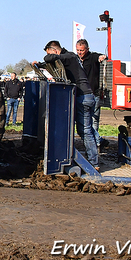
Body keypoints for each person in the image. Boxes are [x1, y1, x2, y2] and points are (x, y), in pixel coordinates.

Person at [32, 40, 99, 168]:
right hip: (84, 96)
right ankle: (92, 157)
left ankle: (94, 162)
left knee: (85, 130)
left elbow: (50, 58)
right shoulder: (69, 58)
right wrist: (39, 65)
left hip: (83, 96)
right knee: (84, 129)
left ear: (55, 50)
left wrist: (47, 58)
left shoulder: (70, 56)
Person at [75, 39, 109, 151]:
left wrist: (102, 57)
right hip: (80, 94)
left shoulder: (93, 57)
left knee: (93, 120)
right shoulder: (75, 60)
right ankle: (98, 141)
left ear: (87, 49)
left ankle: (95, 144)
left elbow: (101, 57)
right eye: (78, 50)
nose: (80, 52)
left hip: (94, 93)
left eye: (82, 50)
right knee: (85, 121)